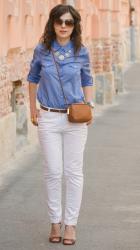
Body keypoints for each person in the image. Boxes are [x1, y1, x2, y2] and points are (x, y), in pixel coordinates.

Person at [27, 4, 94, 245]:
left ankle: (71, 224)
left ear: (74, 26)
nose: (63, 26)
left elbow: (87, 78)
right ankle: (55, 221)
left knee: (74, 173)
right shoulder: (42, 50)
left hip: (75, 118)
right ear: (52, 23)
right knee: (53, 171)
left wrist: (90, 105)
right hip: (49, 117)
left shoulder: (81, 51)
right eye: (59, 22)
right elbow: (32, 79)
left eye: (68, 23)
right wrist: (33, 109)